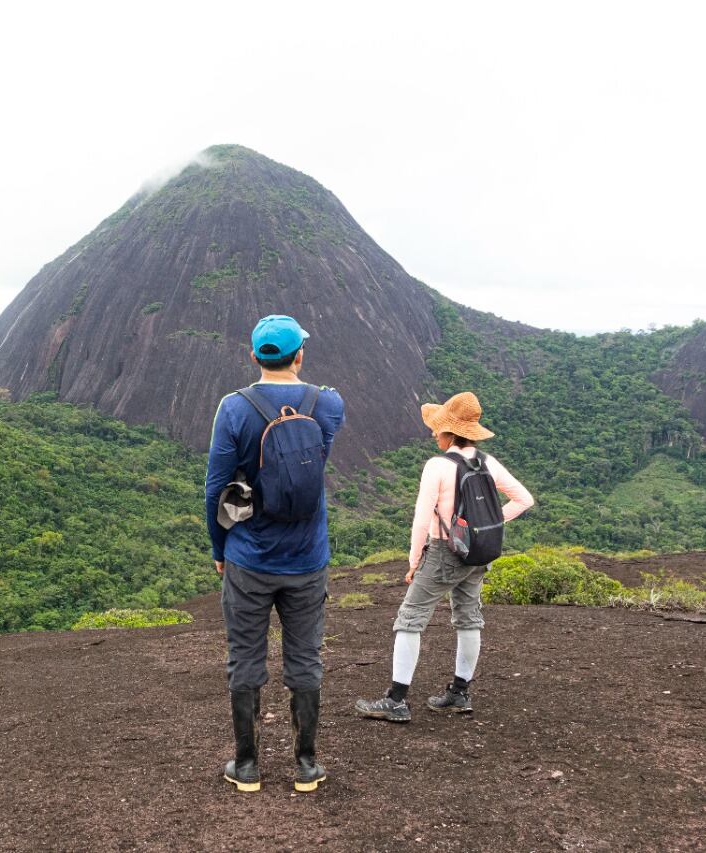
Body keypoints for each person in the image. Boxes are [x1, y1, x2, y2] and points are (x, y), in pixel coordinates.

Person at [205, 315, 345, 793]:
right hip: (307, 558)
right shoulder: (327, 403)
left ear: (254, 356)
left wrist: (220, 547)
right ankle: (307, 764)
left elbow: (215, 488)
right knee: (305, 657)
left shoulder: (234, 408)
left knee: (245, 657)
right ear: (299, 355)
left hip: (248, 557)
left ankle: (247, 766)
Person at [355, 391, 533, 722]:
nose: (434, 434)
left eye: (437, 429)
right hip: (478, 553)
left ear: (449, 433)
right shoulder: (486, 461)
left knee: (410, 618)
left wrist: (414, 561)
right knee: (468, 617)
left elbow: (421, 520)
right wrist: (483, 527)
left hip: (444, 551)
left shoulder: (437, 465)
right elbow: (524, 499)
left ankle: (396, 700)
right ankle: (459, 694)